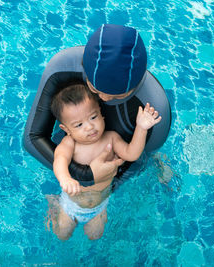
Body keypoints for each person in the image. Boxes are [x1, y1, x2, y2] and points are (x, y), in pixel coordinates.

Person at [24, 24, 171, 190]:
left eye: (118, 96)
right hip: (73, 149)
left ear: (136, 87)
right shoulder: (62, 67)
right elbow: (33, 137)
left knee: (149, 160)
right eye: (94, 89)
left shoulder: (155, 107)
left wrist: (104, 188)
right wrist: (86, 175)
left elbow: (136, 159)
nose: (104, 99)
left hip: (117, 155)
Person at [49, 83, 161, 240]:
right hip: (71, 204)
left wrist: (141, 128)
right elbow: (59, 159)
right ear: (66, 129)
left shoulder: (111, 138)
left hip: (100, 205)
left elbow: (131, 154)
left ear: (101, 113)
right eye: (79, 125)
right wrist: (65, 178)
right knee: (62, 234)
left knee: (95, 236)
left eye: (93, 117)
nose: (89, 127)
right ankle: (54, 203)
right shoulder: (70, 143)